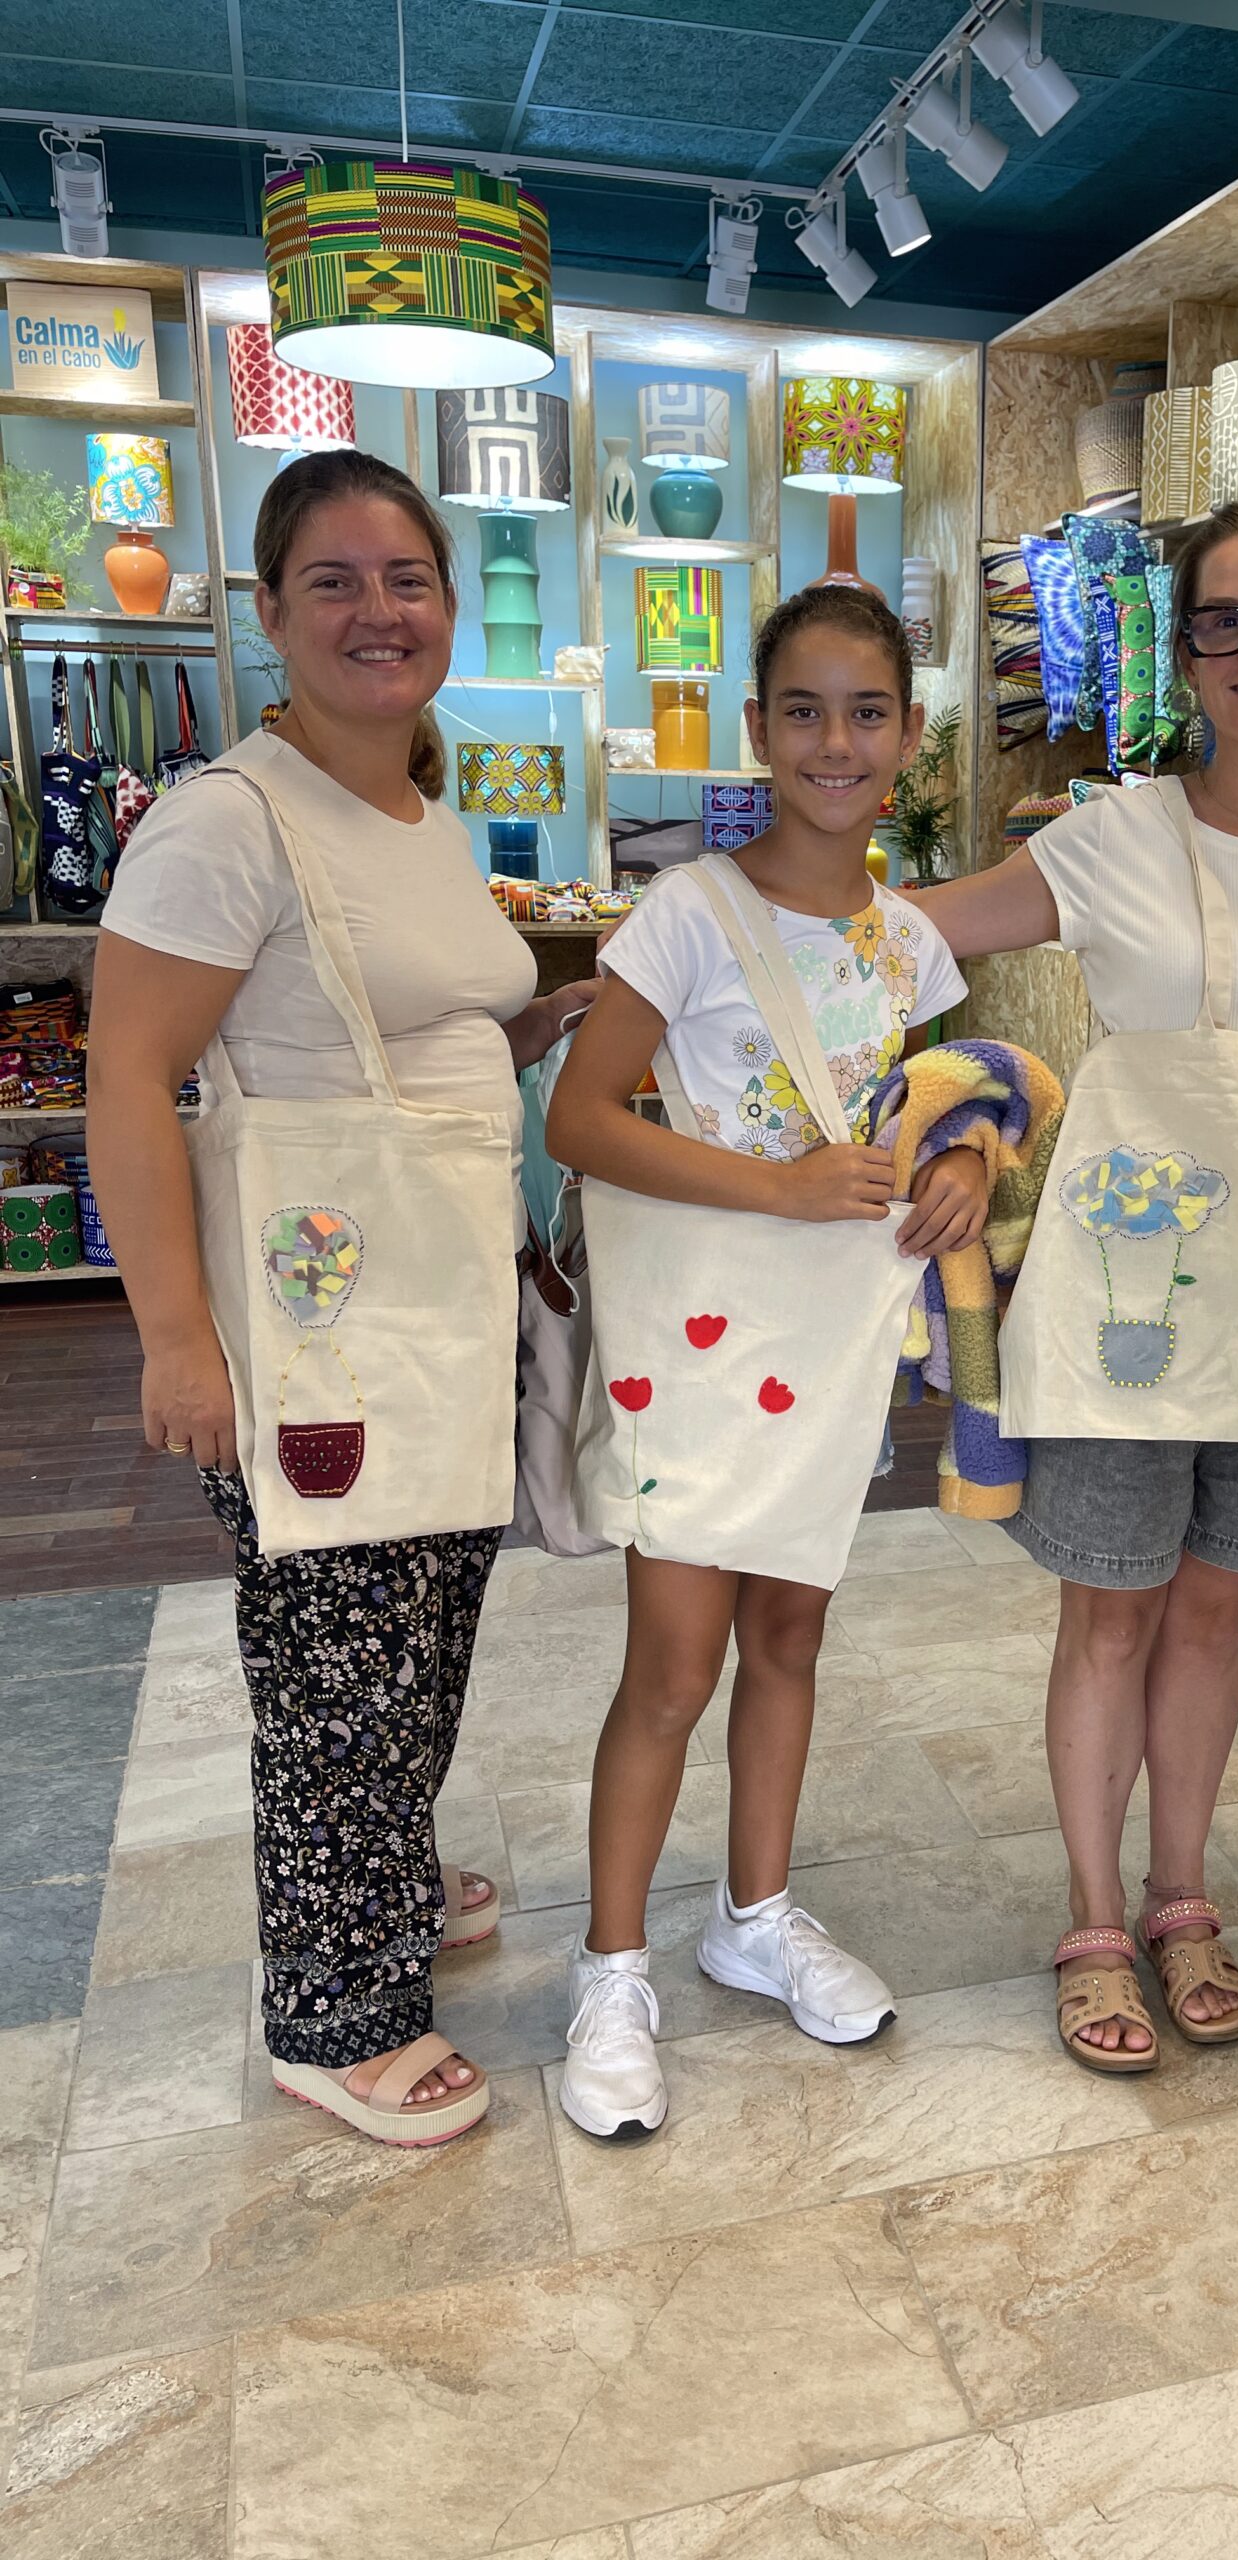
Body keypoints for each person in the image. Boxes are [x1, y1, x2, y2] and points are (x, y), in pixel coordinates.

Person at [87, 451, 595, 2147]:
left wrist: (533, 1031)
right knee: (338, 1665)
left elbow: (398, 1036)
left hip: (432, 1295)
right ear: (270, 610)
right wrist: (176, 1339)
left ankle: (379, 1874)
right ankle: (333, 2007)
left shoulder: (416, 813)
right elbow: (128, 1079)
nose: (380, 612)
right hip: (318, 1318)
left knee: (419, 1620)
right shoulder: (227, 821)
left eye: (408, 579)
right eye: (335, 581)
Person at [912, 496, 1238, 2074]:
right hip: (1126, 1295)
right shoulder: (1114, 838)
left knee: (1213, 1611)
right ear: (1183, 650)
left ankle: (1182, 1897)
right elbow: (895, 944)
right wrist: (680, 960)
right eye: (1224, 618)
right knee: (1111, 1612)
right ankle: (1090, 1916)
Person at [541, 585, 978, 2142]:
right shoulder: (688, 911)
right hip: (700, 1336)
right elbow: (579, 1118)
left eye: (867, 713)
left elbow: (942, 1101)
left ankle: (755, 1913)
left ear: (909, 737)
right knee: (674, 1663)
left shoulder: (911, 942)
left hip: (830, 1340)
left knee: (790, 1634)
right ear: (758, 730)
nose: (835, 743)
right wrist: (781, 1189)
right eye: (804, 711)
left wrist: (964, 1163)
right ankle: (610, 1969)